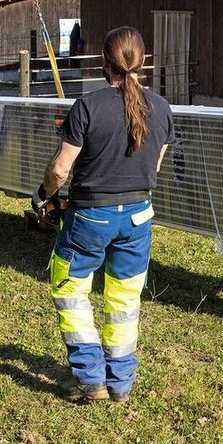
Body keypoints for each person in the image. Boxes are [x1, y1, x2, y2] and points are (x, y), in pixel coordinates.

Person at [35, 26, 174, 404]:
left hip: (90, 217)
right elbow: (154, 168)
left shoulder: (87, 107)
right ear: (143, 61)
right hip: (139, 216)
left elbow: (61, 170)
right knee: (125, 300)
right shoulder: (161, 108)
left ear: (103, 63)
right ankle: (121, 382)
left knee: (71, 291)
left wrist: (42, 195)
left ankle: (91, 377)